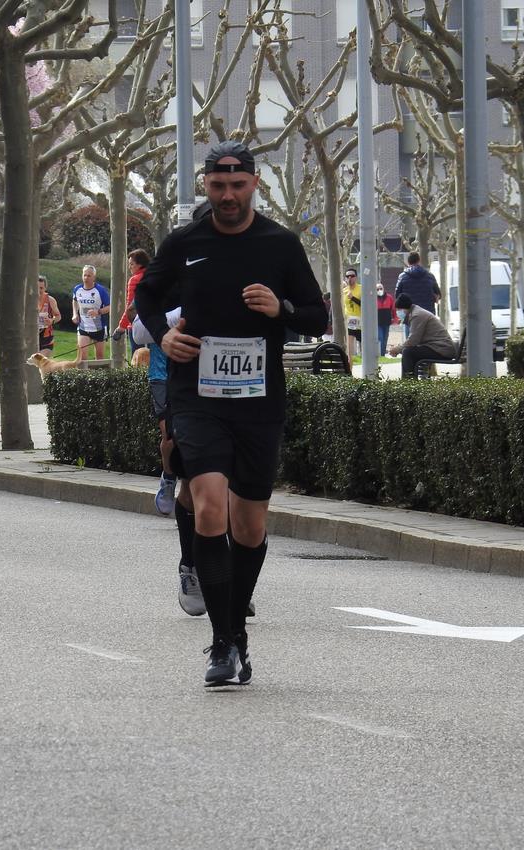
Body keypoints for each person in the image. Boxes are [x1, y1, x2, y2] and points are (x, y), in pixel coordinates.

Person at [134, 139, 327, 687]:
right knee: (210, 506)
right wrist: (166, 334)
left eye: (237, 186)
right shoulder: (185, 242)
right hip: (198, 394)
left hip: (259, 400)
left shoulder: (280, 244)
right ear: (206, 187)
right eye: (217, 186)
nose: (227, 196)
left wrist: (283, 309)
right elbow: (146, 297)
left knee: (249, 524)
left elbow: (318, 317)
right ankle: (221, 643)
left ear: (254, 186)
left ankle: (236, 632)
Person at [388, 293, 456, 378]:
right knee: (408, 351)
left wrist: (398, 349)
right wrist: (399, 349)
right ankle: (410, 382)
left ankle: (408, 383)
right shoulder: (415, 313)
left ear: (405, 308)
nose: (398, 313)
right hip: (438, 347)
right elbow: (414, 340)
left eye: (398, 309)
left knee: (408, 352)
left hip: (442, 349)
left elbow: (413, 340)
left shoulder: (417, 315)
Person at [112, 249, 150, 348]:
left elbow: (131, 307)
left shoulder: (135, 280)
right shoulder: (154, 276)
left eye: (131, 264)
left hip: (138, 326)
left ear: (140, 264)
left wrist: (121, 327)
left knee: (138, 360)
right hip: (156, 325)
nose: (129, 267)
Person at [72, 264, 111, 360]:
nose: (86, 278)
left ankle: (97, 374)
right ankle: (83, 374)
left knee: (99, 357)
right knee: (82, 357)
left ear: (94, 277)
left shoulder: (100, 290)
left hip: (99, 328)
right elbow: (75, 300)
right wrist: (75, 314)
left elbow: (110, 306)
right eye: (84, 275)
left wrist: (98, 311)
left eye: (89, 275)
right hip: (83, 327)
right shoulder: (77, 289)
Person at [35, 275, 61, 353]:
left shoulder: (50, 300)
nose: (38, 290)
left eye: (41, 288)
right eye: (36, 287)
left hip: (46, 338)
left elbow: (58, 316)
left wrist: (51, 320)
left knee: (40, 362)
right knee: (30, 363)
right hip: (30, 337)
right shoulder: (27, 300)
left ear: (45, 288)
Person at [342, 269, 361, 358]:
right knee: (349, 350)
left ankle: (368, 370)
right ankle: (350, 369)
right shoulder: (344, 291)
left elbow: (365, 305)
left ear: (356, 277)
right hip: (349, 321)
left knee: (364, 348)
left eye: (352, 276)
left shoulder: (361, 289)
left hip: (361, 321)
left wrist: (353, 298)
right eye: (347, 276)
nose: (350, 278)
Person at [376, 283, 395, 353]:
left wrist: (394, 318)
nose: (379, 290)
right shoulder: (373, 298)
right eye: (377, 289)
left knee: (385, 338)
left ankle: (383, 353)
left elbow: (393, 309)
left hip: (387, 321)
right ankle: (380, 353)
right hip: (378, 322)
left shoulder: (389, 297)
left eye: (381, 288)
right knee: (380, 337)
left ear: (383, 289)